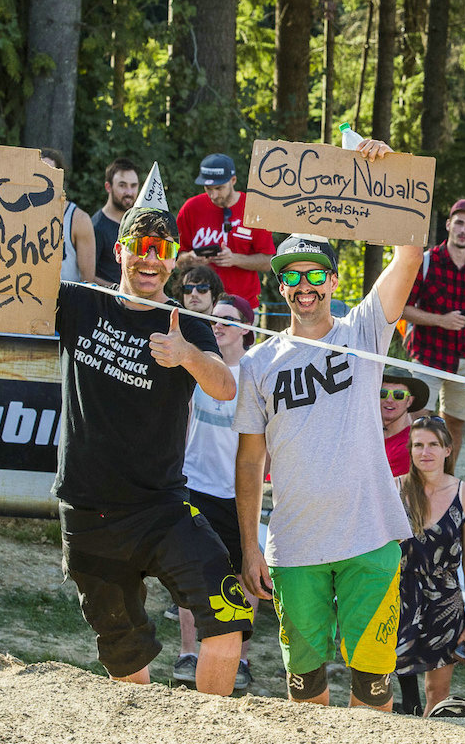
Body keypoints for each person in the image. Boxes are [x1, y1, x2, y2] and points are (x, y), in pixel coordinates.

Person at [0, 165, 251, 695]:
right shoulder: (79, 302)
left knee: (227, 618)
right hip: (88, 514)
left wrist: (187, 357)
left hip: (163, 508)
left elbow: (225, 387)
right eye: (141, 243)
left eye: (162, 245)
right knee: (125, 658)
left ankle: (206, 731)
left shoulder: (185, 324)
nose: (151, 255)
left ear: (175, 256)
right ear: (119, 250)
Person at [232, 169, 423, 712]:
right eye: (294, 276)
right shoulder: (256, 364)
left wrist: (386, 167)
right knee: (303, 686)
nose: (306, 285)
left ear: (335, 283)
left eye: (318, 273)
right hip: (295, 547)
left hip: (370, 538)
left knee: (372, 687)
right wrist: (250, 546)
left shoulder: (363, 331)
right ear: (281, 287)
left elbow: (410, 251)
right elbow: (249, 465)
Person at [172, 294, 259, 695]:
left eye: (227, 319)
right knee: (193, 571)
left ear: (247, 328)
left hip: (237, 490)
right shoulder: (195, 364)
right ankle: (189, 653)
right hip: (193, 482)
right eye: (213, 319)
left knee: (244, 574)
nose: (217, 325)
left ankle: (239, 660)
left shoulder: (256, 373)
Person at [394, 417, 465, 716]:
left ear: (448, 449)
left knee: (438, 692)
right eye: (418, 445)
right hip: (398, 595)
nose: (425, 452)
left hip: (444, 600)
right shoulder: (395, 489)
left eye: (433, 444)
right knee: (400, 690)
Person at [401, 198, 465, 468]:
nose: (464, 230)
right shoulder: (426, 261)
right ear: (449, 224)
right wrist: (440, 320)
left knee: (455, 425)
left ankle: (446, 484)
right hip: (429, 353)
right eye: (460, 223)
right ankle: (411, 483)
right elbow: (404, 309)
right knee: (418, 420)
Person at [175, 153, 276, 313]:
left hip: (242, 307)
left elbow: (267, 262)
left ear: (233, 180)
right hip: (199, 305)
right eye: (208, 189)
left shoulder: (254, 209)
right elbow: (176, 260)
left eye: (219, 188)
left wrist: (235, 259)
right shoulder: (191, 208)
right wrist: (191, 259)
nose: (213, 195)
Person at [41, 148, 96, 284]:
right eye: (38, 173)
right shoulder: (19, 216)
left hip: (65, 301)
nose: (43, 179)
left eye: (49, 173)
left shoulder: (78, 219)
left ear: (60, 178)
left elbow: (88, 280)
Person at [93, 158, 140, 287]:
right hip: (108, 302)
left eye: (133, 185)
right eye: (122, 185)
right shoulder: (96, 227)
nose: (129, 192)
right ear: (108, 187)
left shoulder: (139, 225)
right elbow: (87, 277)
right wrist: (121, 291)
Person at [382, 374, 431, 477]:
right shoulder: (364, 432)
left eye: (398, 395)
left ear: (409, 401)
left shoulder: (409, 445)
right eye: (383, 393)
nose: (389, 400)